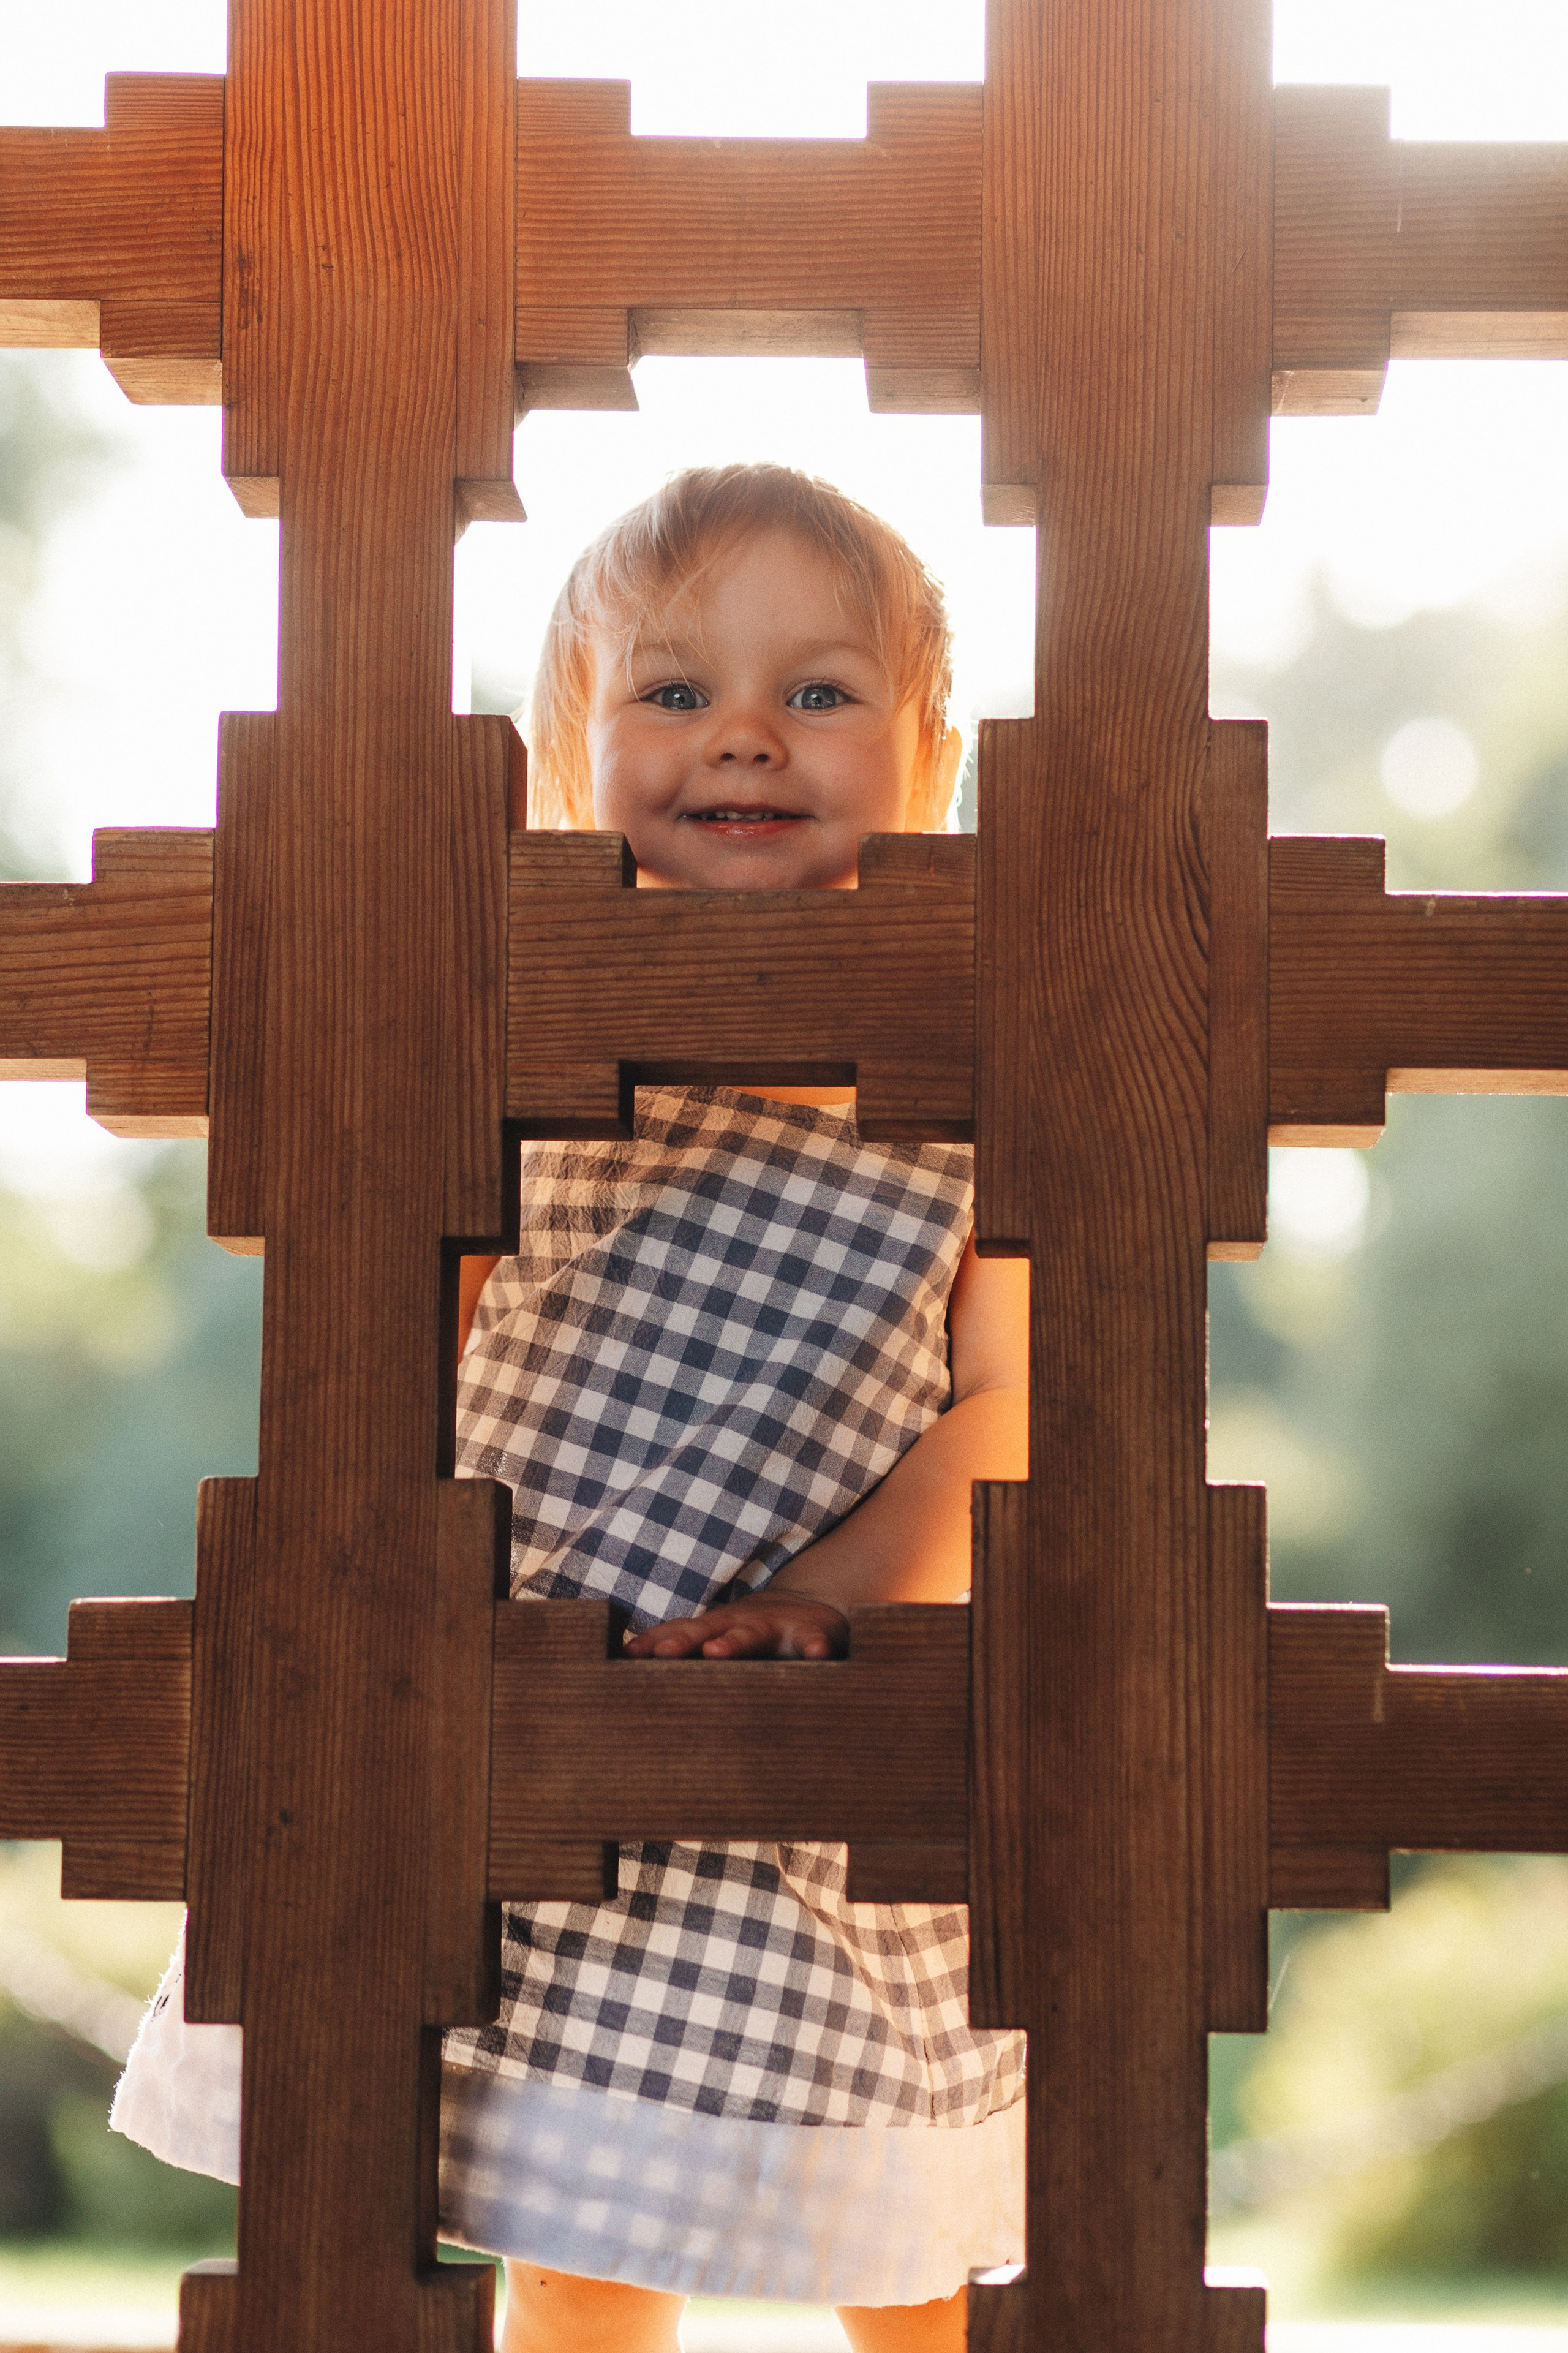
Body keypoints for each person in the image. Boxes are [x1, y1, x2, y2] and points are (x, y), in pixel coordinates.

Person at [113, 463, 1028, 2352]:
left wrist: (842, 1592)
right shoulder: (516, 1041)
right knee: (572, 2221)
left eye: (823, 691)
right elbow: (391, 1354)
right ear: (561, 761)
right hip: (530, 1699)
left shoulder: (968, 1079)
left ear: (933, 764)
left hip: (816, 1734)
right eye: (676, 694)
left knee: (893, 2236)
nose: (749, 736)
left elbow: (1010, 1403)